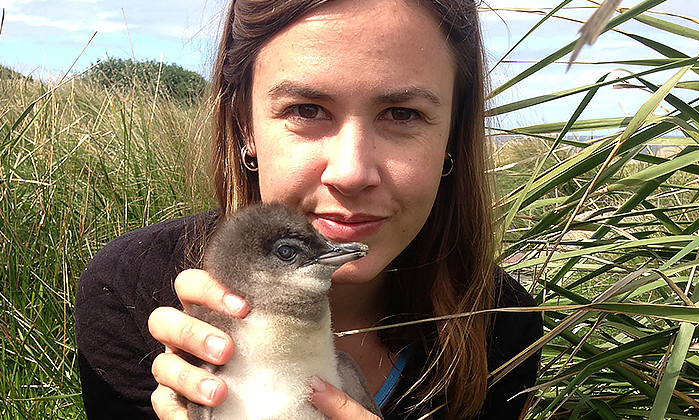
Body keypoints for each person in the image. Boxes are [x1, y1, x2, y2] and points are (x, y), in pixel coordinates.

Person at [74, 0, 543, 419]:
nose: (351, 172)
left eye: (402, 114)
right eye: (307, 109)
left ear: (451, 136)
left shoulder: (503, 326)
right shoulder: (131, 294)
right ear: (245, 124)